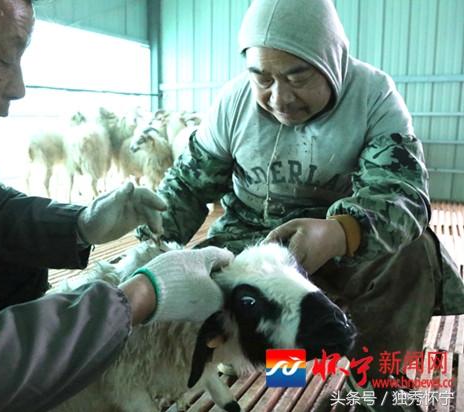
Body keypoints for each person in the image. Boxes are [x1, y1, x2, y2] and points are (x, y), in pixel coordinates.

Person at [0, 1, 235, 411]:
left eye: (297, 75)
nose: (19, 88)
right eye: (4, 58)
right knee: (254, 344)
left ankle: (294, 366)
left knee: (294, 348)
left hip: (277, 276)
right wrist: (138, 293)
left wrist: (79, 224)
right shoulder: (231, 116)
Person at [139, 0, 464, 401]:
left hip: (341, 242)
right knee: (185, 284)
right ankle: (271, 371)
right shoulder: (232, 103)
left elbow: (402, 192)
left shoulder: (372, 95)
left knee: (411, 254)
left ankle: (379, 383)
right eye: (262, 79)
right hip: (251, 242)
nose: (279, 98)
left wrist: (341, 232)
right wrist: (145, 249)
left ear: (331, 62)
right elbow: (186, 187)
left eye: (298, 77)